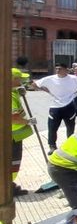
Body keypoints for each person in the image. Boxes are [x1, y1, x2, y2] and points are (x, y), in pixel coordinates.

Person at [33, 63, 77, 153]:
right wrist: (48, 91)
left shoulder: (73, 78)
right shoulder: (50, 78)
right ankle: (52, 146)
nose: (58, 70)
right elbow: (35, 84)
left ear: (66, 70)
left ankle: (70, 145)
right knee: (52, 127)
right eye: (56, 69)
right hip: (55, 107)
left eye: (60, 69)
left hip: (69, 106)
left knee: (70, 128)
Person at [11, 68, 35, 196]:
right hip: (12, 136)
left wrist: (19, 92)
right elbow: (13, 117)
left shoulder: (10, 92)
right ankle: (7, 186)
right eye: (19, 78)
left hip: (12, 135)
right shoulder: (8, 95)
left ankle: (8, 185)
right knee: (13, 162)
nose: (21, 81)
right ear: (13, 79)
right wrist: (28, 122)